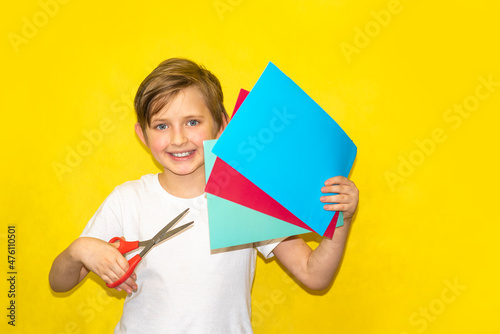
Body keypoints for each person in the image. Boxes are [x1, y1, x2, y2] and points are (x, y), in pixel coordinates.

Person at [49, 58, 359, 333]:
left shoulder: (247, 196)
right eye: (161, 126)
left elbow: (313, 274)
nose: (178, 139)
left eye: (193, 122)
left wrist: (339, 219)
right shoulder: (128, 199)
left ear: (222, 124)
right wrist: (80, 249)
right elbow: (60, 281)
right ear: (142, 135)